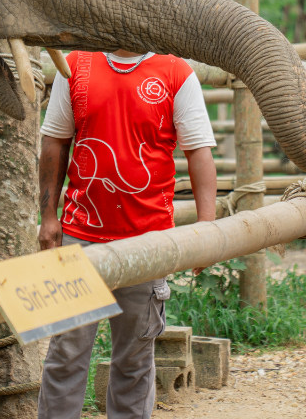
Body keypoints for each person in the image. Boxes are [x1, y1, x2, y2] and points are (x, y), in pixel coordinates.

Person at [36, 43, 217, 419]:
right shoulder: (74, 66)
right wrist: (49, 217)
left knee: (135, 358)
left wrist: (207, 228)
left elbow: (199, 151)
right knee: (65, 354)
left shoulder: (176, 72)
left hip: (148, 241)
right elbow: (55, 141)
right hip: (80, 234)